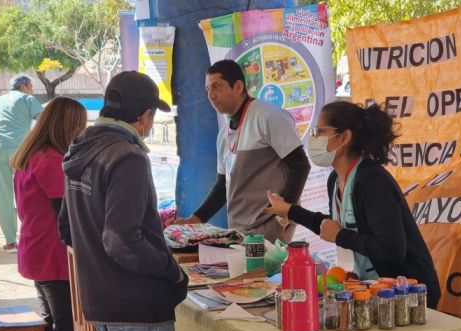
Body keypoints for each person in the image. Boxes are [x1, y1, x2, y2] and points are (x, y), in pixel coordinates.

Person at [58, 71, 189, 331]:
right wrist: (170, 270)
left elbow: (67, 229)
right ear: (144, 116)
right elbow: (119, 239)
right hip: (138, 309)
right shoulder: (127, 156)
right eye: (151, 117)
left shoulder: (80, 149)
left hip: (101, 303)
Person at [263, 101, 441, 308]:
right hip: (374, 289)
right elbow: (332, 226)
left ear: (344, 137)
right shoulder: (336, 179)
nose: (314, 137)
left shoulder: (373, 182)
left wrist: (340, 236)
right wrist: (289, 210)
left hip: (408, 294)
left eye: (320, 131)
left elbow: (391, 250)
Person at [169, 59, 310, 243]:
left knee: (267, 272)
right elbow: (222, 187)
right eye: (207, 89)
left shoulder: (267, 116)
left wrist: (286, 212)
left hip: (270, 225)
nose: (211, 95)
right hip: (239, 230)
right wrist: (195, 220)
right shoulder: (223, 136)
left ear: (237, 86)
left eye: (216, 87)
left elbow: (300, 165)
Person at [10, 97, 87, 331]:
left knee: (53, 322)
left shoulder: (30, 156)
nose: (82, 132)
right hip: (52, 254)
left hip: (35, 249)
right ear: (67, 127)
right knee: (67, 325)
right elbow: (65, 215)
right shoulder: (51, 160)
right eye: (79, 126)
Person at [0, 74, 42, 252]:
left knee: (3, 196)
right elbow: (42, 123)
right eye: (31, 86)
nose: (32, 89)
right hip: (21, 149)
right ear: (24, 86)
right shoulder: (28, 99)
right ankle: (31, 236)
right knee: (26, 193)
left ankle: (10, 242)